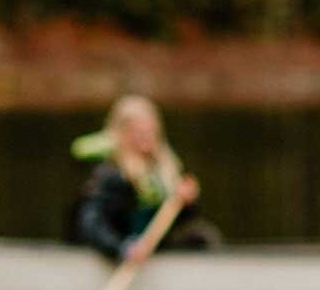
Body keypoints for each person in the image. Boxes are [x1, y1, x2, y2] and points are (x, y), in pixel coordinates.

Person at [69, 96, 221, 262]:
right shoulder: (110, 174)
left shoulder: (165, 170)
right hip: (121, 251)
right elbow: (91, 223)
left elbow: (172, 222)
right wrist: (121, 247)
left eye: (150, 132)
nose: (146, 139)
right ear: (123, 133)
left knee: (204, 236)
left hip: (151, 250)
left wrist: (185, 202)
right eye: (139, 133)